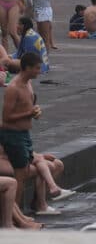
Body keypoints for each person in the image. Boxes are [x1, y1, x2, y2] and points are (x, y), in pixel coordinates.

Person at [0, 52, 43, 206]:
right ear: (27, 68)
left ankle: (18, 212)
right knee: (19, 175)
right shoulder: (13, 88)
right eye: (37, 68)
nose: (40, 71)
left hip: (24, 134)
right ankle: (14, 215)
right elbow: (6, 117)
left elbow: (26, 109)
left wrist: (34, 112)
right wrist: (29, 113)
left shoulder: (29, 84)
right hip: (13, 135)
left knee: (23, 173)